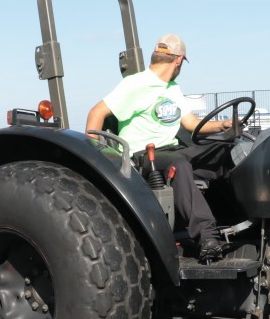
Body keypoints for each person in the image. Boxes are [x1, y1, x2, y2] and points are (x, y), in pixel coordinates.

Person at [85, 33, 233, 261]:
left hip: (172, 149)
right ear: (179, 60)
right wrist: (94, 156)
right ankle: (207, 237)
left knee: (226, 153)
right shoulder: (135, 84)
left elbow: (192, 124)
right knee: (180, 165)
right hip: (142, 156)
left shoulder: (172, 88)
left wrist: (224, 125)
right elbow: (96, 113)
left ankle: (238, 222)